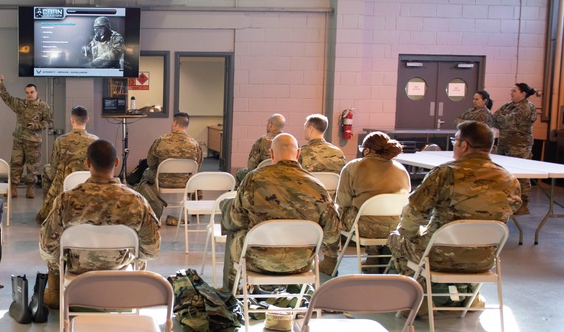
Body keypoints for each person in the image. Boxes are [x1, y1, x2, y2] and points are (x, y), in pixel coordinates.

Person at [388, 121, 521, 300]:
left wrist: (408, 235)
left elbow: (414, 212)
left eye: (454, 141)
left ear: (464, 145)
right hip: (483, 259)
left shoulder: (444, 173)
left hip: (438, 256)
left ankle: (419, 298)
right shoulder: (510, 179)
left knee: (397, 239)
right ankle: (468, 297)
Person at [40, 139, 161, 308]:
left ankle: (56, 295)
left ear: (87, 163)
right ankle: (131, 296)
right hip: (120, 267)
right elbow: (152, 250)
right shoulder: (136, 201)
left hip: (77, 269)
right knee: (141, 252)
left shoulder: (66, 200)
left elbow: (47, 247)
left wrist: (59, 261)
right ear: (117, 162)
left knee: (54, 250)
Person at [221, 133, 340, 291]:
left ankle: (230, 293)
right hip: (300, 263)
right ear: (298, 153)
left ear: (271, 154)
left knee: (233, 231)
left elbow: (238, 220)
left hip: (257, 260)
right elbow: (332, 234)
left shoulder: (254, 179)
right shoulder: (317, 186)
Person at [335, 131, 411, 271]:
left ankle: (330, 260)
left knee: (338, 211)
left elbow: (342, 201)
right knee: (373, 214)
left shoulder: (353, 166)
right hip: (395, 226)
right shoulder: (401, 169)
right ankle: (374, 256)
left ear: (367, 150)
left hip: (364, 228)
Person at [134, 111, 204, 222]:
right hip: (186, 183)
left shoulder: (161, 141)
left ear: (175, 123)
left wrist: (157, 171)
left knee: (145, 176)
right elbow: (198, 165)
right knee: (196, 176)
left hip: (162, 181)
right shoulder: (195, 144)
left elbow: (150, 162)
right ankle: (196, 209)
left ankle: (150, 208)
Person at [36, 105, 98, 225]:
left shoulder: (61, 140)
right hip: (88, 180)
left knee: (46, 169)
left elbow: (54, 166)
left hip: (65, 180)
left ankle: (48, 209)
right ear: (87, 119)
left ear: (72, 120)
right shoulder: (95, 141)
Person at [0, 75, 53, 198]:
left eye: (32, 92)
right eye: (27, 93)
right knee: (16, 164)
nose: (29, 95)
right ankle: (13, 187)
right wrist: (1, 85)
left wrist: (36, 125)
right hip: (19, 140)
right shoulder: (20, 104)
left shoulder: (43, 106)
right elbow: (6, 98)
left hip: (34, 141)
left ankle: (30, 188)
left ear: (36, 92)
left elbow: (49, 121)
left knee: (32, 167)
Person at [493, 82, 538, 215]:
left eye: (514, 91)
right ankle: (506, 200)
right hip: (505, 144)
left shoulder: (527, 108)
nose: (511, 93)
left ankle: (523, 204)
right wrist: (502, 120)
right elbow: (493, 118)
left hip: (520, 146)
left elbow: (507, 122)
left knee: (522, 176)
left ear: (523, 94)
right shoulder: (508, 106)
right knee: (504, 173)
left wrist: (502, 120)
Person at [237, 114, 285, 182]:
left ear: (270, 124)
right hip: (283, 177)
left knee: (240, 173)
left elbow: (251, 165)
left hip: (262, 177)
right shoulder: (290, 140)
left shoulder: (261, 140)